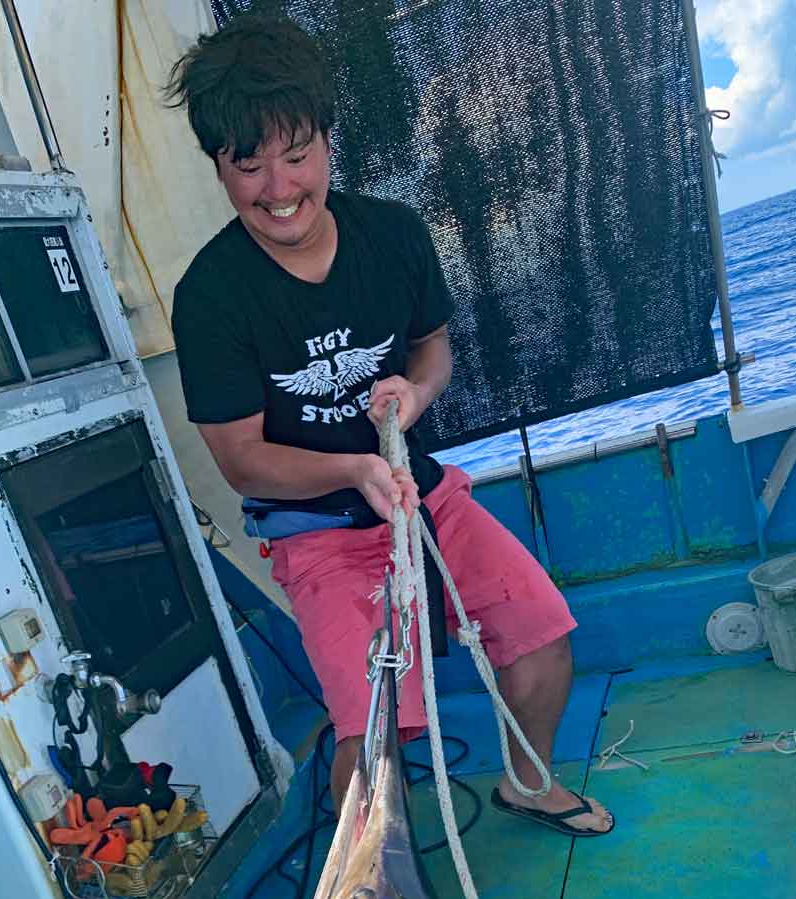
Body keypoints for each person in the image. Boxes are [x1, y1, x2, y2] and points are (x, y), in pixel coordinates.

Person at [167, 15, 613, 836]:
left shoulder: (393, 234)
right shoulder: (211, 297)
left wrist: (412, 396)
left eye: (296, 155)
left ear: (329, 143)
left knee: (542, 637)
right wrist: (350, 472)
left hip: (422, 494)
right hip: (320, 529)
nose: (278, 187)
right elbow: (241, 460)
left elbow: (432, 349)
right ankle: (375, 895)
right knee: (375, 730)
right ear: (219, 168)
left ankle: (527, 781)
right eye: (249, 165)